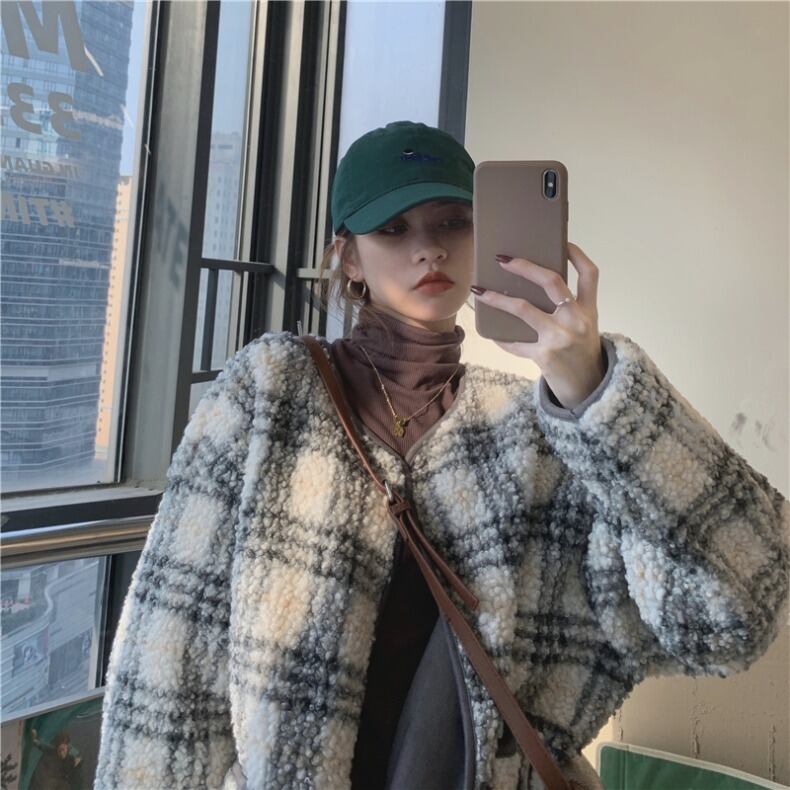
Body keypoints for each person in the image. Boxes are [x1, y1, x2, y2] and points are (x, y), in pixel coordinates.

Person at [95, 120, 789, 790]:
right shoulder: (272, 392)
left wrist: (596, 390)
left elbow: (733, 619)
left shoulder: (536, 433)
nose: (429, 249)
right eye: (393, 229)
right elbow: (168, 659)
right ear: (348, 258)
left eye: (452, 222)